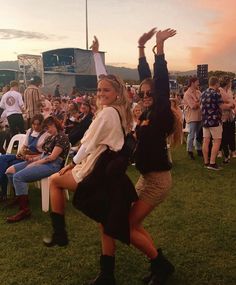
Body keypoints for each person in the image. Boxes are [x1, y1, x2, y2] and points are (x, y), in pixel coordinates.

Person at [43, 65, 137, 284]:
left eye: (106, 90)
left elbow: (88, 145)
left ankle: (60, 233)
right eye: (99, 90)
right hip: (109, 172)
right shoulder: (121, 111)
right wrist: (96, 56)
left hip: (97, 168)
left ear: (116, 93)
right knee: (105, 223)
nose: (101, 93)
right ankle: (107, 274)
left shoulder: (107, 113)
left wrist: (71, 164)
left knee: (55, 181)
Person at [5, 116, 70, 222]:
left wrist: (36, 163)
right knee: (10, 171)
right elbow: (43, 155)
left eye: (50, 127)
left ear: (56, 125)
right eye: (47, 128)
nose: (48, 130)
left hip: (52, 165)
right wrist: (32, 159)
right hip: (44, 161)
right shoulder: (50, 137)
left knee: (18, 177)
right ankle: (20, 197)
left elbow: (52, 157)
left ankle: (24, 210)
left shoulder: (62, 137)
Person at [0, 114, 49, 202]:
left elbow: (43, 154)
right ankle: (8, 194)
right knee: (3, 160)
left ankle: (6, 193)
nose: (36, 126)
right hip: (25, 156)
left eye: (38, 124)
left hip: (34, 158)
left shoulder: (46, 135)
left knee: (4, 161)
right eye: (34, 124)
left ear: (42, 124)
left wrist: (28, 155)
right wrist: (21, 153)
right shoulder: (30, 131)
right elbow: (25, 146)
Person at [200, 76, 234, 170]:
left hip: (205, 120)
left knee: (206, 141)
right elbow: (222, 106)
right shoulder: (216, 94)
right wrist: (231, 105)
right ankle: (212, 163)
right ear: (216, 84)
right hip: (215, 121)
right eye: (218, 83)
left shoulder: (203, 93)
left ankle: (206, 162)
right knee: (217, 141)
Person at [183, 77, 202, 159]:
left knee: (198, 134)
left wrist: (198, 102)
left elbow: (201, 102)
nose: (198, 83)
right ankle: (189, 151)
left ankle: (199, 149)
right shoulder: (187, 93)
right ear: (192, 83)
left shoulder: (198, 92)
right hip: (192, 117)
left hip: (199, 116)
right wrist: (199, 102)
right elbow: (193, 106)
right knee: (191, 134)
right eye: (197, 82)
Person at [219, 76, 236, 162]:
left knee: (231, 134)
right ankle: (223, 152)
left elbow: (232, 102)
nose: (231, 83)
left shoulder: (229, 91)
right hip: (222, 117)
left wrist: (229, 104)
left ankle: (233, 151)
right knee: (224, 135)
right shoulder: (219, 90)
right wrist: (229, 104)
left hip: (230, 116)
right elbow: (221, 103)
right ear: (227, 82)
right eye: (230, 82)